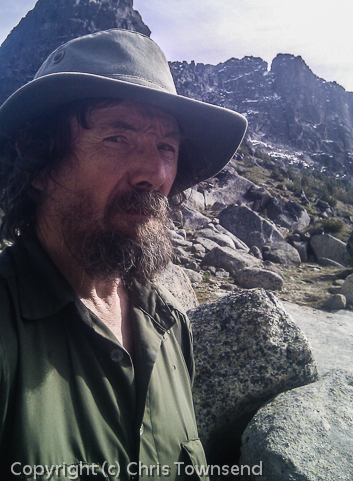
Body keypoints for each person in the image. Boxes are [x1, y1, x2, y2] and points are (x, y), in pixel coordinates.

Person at [0, 29, 247, 481]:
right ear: (37, 162)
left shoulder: (171, 328)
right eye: (118, 137)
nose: (154, 174)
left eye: (166, 147)